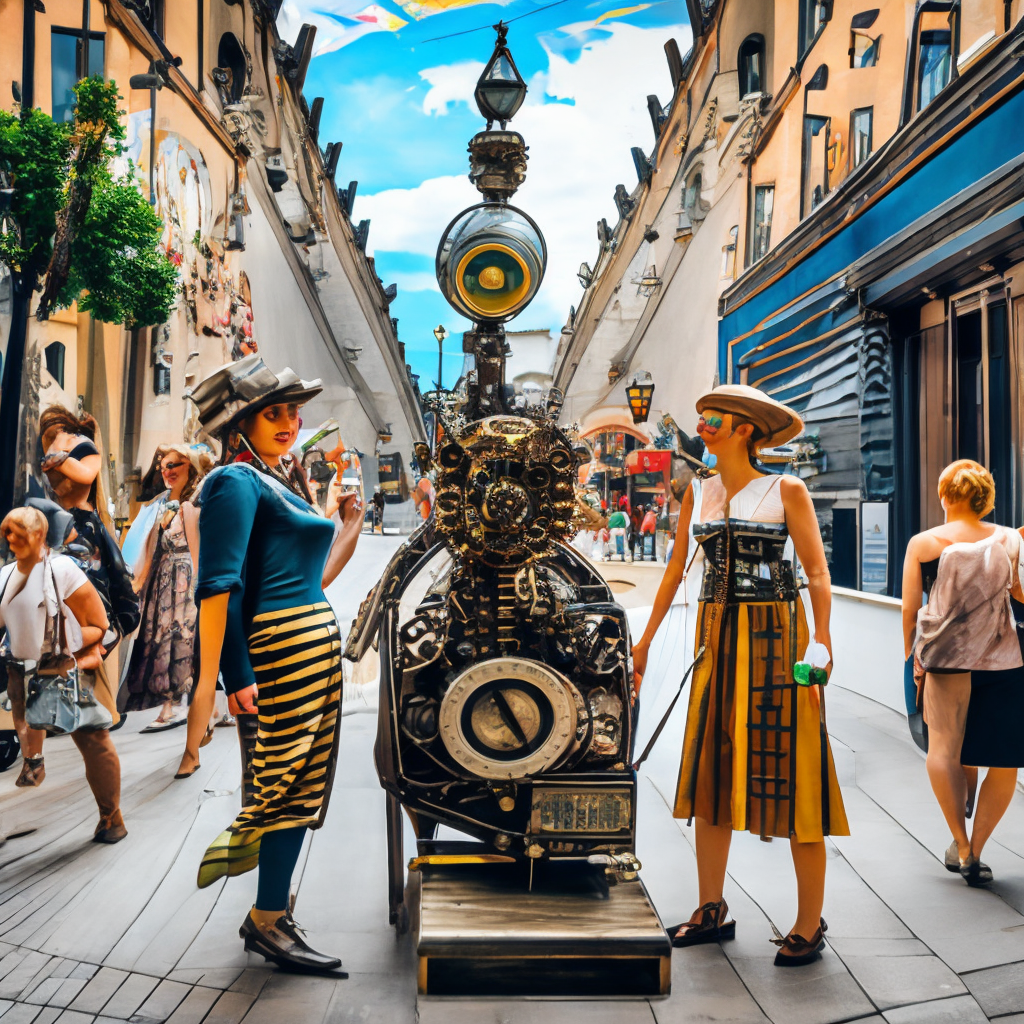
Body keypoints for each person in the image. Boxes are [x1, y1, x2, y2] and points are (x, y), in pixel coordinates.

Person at [633, 384, 848, 967]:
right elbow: (676, 571)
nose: (703, 421)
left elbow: (818, 572)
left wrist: (823, 639)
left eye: (714, 415)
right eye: (702, 414)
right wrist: (645, 642)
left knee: (796, 765)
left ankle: (808, 921)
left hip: (776, 639)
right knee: (711, 764)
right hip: (714, 638)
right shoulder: (696, 492)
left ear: (746, 428)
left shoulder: (787, 489)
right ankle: (711, 908)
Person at [177, 356, 363, 973]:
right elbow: (218, 585)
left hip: (308, 650)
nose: (289, 421)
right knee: (279, 788)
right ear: (240, 423)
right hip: (277, 656)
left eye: (291, 411)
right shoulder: (235, 482)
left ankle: (273, 913)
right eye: (273, 412)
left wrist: (347, 524)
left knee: (301, 789)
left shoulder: (275, 479)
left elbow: (314, 577)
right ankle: (265, 918)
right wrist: (230, 677)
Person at [901, 460, 1024, 886]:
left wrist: (910, 660)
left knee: (944, 750)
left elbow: (909, 610)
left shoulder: (924, 543)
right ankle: (979, 847)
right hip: (1003, 660)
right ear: (984, 497)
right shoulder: (1010, 539)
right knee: (1005, 762)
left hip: (946, 661)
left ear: (945, 496)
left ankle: (961, 844)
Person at [0, 507, 126, 842]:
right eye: (8, 531)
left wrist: (61, 644)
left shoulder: (61, 568)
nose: (11, 538)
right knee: (30, 732)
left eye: (19, 531)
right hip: (21, 674)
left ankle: (111, 817)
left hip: (62, 670)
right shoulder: (5, 575)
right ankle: (34, 763)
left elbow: (100, 625)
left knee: (93, 741)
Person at [121, 445, 212, 730]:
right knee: (160, 639)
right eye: (163, 467)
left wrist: (199, 586)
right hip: (162, 581)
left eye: (174, 465)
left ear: (191, 466)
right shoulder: (159, 505)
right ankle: (167, 705)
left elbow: (198, 548)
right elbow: (148, 548)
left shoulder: (194, 504)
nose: (167, 472)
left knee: (182, 639)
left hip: (185, 580)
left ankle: (181, 706)